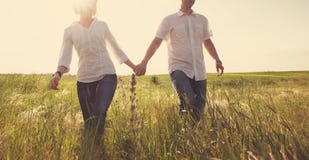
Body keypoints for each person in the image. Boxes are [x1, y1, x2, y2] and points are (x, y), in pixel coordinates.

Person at [50, 0, 136, 145]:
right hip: (84, 80)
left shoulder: (101, 26)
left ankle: (96, 148)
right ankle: (96, 150)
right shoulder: (70, 31)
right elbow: (65, 57)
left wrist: (134, 66)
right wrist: (58, 74)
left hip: (106, 75)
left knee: (99, 112)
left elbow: (116, 49)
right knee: (90, 123)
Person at [134, 0, 224, 122]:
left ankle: (189, 134)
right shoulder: (169, 20)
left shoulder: (202, 20)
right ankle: (183, 126)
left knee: (199, 109)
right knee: (189, 99)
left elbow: (207, 42)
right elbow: (156, 42)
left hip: (199, 70)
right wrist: (144, 62)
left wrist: (217, 60)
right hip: (178, 68)